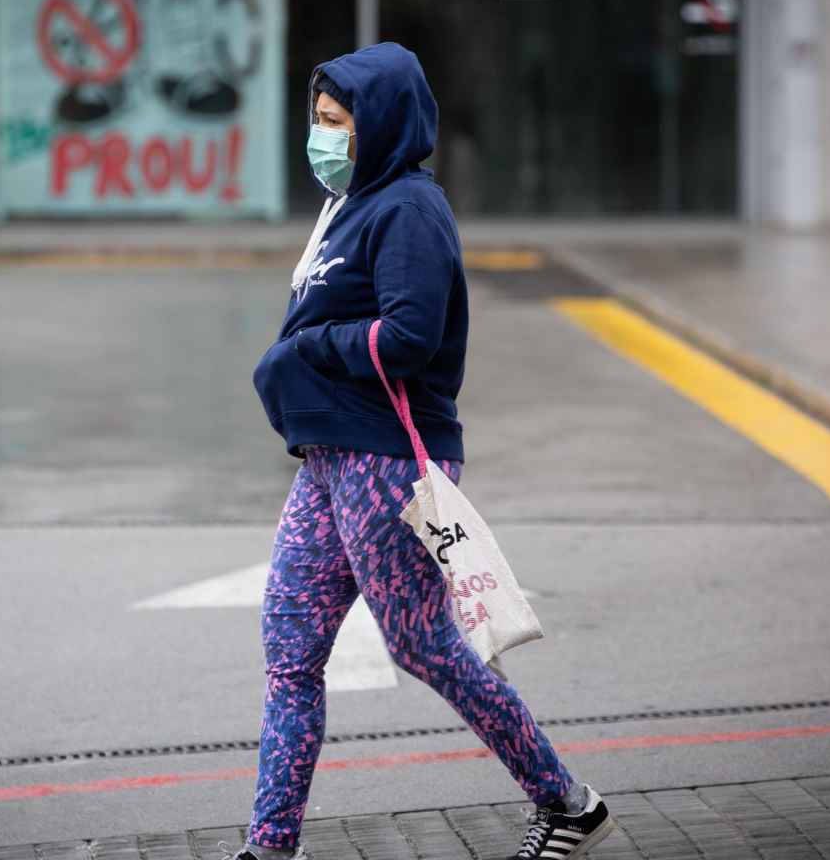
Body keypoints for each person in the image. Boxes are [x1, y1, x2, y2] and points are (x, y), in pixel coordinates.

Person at [244, 42, 616, 860]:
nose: (321, 137)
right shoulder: (347, 207)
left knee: (422, 645)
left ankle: (567, 803)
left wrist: (307, 353)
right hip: (331, 458)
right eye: (316, 120)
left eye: (335, 122)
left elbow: (411, 336)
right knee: (290, 646)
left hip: (386, 461)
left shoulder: (409, 208)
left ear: (379, 124)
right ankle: (271, 845)